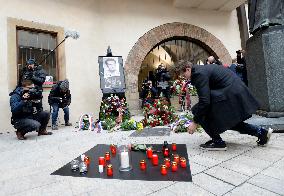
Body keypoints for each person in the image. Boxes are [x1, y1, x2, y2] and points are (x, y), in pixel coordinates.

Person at [179, 60, 273, 150]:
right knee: (229, 120)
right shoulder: (201, 69)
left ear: (188, 69)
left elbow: (205, 101)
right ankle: (261, 132)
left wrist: (195, 122)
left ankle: (218, 142)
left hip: (230, 93)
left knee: (198, 110)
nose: (185, 77)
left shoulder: (198, 74)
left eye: (184, 75)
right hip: (234, 91)